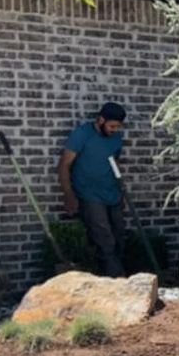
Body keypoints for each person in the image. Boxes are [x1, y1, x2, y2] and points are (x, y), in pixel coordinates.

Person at [59, 102, 128, 276]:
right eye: (111, 126)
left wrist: (121, 191)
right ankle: (117, 279)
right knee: (104, 239)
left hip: (112, 193)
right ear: (101, 119)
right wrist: (68, 194)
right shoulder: (82, 135)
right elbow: (64, 165)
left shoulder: (116, 139)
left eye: (117, 127)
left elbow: (114, 162)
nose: (114, 129)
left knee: (119, 236)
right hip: (90, 195)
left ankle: (112, 275)